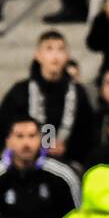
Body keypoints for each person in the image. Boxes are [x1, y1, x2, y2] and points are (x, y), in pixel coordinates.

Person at [0, 29, 95, 166]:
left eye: (60, 49)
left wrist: (66, 148)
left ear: (67, 56)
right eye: (49, 49)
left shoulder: (78, 93)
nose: (55, 55)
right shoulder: (20, 91)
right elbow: (5, 129)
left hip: (68, 162)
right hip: (25, 164)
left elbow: (86, 133)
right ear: (38, 55)